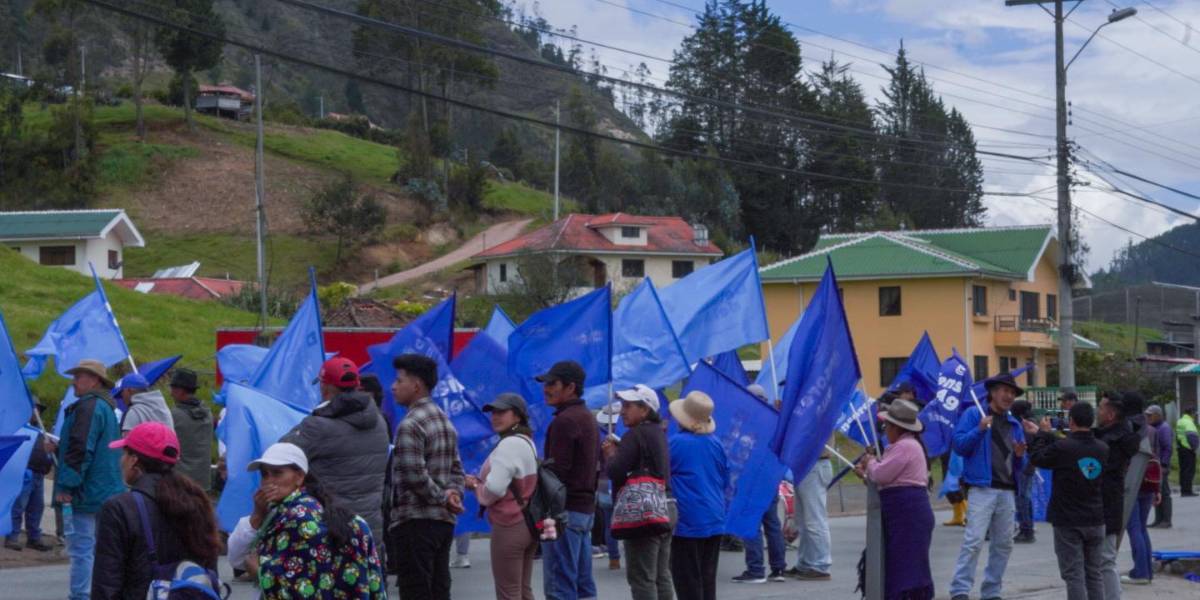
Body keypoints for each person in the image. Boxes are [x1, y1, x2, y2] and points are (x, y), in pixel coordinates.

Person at [92, 422, 221, 599]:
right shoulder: (198, 502)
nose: (121, 461)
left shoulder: (119, 508)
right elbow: (209, 573)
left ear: (134, 460)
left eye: (124, 454)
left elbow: (106, 585)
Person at [249, 442, 385, 599]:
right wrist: (258, 514)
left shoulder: (296, 518)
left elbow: (297, 588)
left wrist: (259, 572)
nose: (269, 481)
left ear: (299, 477)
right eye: (264, 474)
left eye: (277, 473)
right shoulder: (304, 509)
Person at [281, 357, 390, 541]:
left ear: (324, 387)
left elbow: (280, 455)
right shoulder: (379, 422)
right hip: (370, 530)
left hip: (330, 529)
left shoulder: (316, 426)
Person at [387, 354, 466, 600]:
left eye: (399, 380)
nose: (393, 386)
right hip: (443, 522)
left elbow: (414, 476)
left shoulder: (410, 424)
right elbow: (457, 470)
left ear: (416, 385)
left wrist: (443, 497)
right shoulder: (444, 420)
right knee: (439, 588)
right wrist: (453, 494)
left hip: (415, 520)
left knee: (416, 590)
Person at [947, 371, 1027, 600]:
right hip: (981, 488)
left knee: (1004, 545)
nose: (1009, 396)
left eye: (1012, 393)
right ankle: (960, 590)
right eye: (1005, 391)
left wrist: (1020, 456)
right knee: (973, 541)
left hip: (1007, 490)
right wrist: (979, 429)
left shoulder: (1014, 423)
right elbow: (959, 445)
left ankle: (992, 591)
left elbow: (1021, 464)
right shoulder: (974, 414)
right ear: (992, 392)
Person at [54, 359, 125, 600]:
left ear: (94, 380)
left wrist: (66, 485)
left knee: (81, 549)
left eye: (78, 376)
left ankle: (81, 596)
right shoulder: (106, 407)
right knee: (98, 549)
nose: (73, 382)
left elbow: (81, 449)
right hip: (105, 490)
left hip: (86, 492)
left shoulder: (88, 407)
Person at [1025, 402, 1108, 600]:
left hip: (1068, 520)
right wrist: (1047, 435)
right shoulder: (1103, 448)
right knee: (1094, 573)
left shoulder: (1063, 448)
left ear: (1071, 421)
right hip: (1096, 518)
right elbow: (1073, 447)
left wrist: (1042, 434)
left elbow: (1037, 458)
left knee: (1073, 575)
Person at [854, 399, 935, 600]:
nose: (885, 431)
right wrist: (867, 473)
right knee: (899, 562)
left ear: (896, 427)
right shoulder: (905, 445)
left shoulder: (906, 446)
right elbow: (886, 478)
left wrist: (870, 462)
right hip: (904, 512)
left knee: (905, 568)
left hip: (908, 513)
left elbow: (881, 474)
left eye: (886, 426)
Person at [465, 393, 539, 600]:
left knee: (508, 592)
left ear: (517, 416)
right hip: (528, 521)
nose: (495, 417)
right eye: (493, 412)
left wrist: (476, 486)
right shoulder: (526, 440)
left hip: (509, 524)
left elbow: (496, 488)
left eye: (501, 412)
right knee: (522, 590)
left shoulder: (509, 444)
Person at [603, 384, 673, 600]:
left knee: (642, 578)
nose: (622, 411)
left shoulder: (635, 434)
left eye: (628, 406)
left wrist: (611, 454)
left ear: (644, 409)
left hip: (644, 510)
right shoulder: (658, 432)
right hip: (666, 505)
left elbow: (615, 471)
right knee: (661, 575)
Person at [538, 360, 599, 600]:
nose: (546, 389)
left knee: (559, 587)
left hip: (563, 512)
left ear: (570, 387)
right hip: (583, 511)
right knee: (584, 587)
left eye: (552, 384)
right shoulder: (587, 417)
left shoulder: (565, 421)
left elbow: (556, 473)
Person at [668, 391, 727, 600]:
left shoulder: (676, 443)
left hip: (688, 518)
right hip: (715, 514)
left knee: (687, 580)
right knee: (707, 578)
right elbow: (724, 478)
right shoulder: (716, 443)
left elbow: (661, 474)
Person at [735, 384, 787, 584]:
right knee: (772, 523)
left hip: (751, 478)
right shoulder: (775, 421)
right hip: (770, 477)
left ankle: (756, 569)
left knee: (751, 522)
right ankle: (778, 568)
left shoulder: (749, 421)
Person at [1095, 392, 1139, 600]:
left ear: (1111, 415)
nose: (1098, 411)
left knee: (1105, 559)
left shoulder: (1113, 441)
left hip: (1107, 505)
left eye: (1101, 407)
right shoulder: (1112, 435)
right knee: (1100, 560)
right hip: (1105, 504)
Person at [5, 405, 54, 552]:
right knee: (19, 506)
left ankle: (33, 538)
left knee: (36, 507)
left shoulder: (41, 432)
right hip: (25, 472)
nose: (36, 413)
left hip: (39, 473)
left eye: (38, 411)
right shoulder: (19, 429)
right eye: (35, 410)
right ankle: (12, 537)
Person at [1119, 391, 1156, 586]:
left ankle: (1140, 573)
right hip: (1149, 483)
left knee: (1134, 528)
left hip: (1133, 483)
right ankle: (1147, 571)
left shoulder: (1128, 427)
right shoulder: (1150, 428)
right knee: (1141, 528)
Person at [785, 454, 833, 581]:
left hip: (814, 464)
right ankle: (805, 563)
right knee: (804, 522)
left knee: (815, 520)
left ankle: (821, 565)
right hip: (805, 464)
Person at [166, 368, 213, 492]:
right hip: (203, 481)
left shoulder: (174, 416)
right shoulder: (207, 413)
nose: (171, 394)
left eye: (173, 389)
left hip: (181, 483)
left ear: (180, 390)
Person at [595, 406, 622, 571]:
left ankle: (614, 558)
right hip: (621, 483)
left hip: (604, 483)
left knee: (608, 523)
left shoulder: (599, 438)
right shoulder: (624, 437)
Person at [1010, 399, 1037, 544]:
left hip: (1024, 466)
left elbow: (1021, 445)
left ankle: (1026, 529)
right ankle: (1028, 527)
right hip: (1030, 465)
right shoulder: (1032, 423)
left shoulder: (1024, 426)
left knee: (1022, 499)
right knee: (1026, 497)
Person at [1145, 405, 1172, 528]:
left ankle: (1166, 520)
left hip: (1162, 465)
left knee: (1164, 492)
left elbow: (1167, 448)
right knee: (1156, 491)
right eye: (1147, 415)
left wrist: (1164, 464)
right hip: (1156, 465)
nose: (1148, 417)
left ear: (1158, 415)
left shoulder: (1164, 428)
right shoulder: (1155, 428)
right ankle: (1158, 519)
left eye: (1150, 415)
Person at [1177, 408, 1198, 496]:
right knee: (1189, 470)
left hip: (1181, 447)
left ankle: (1183, 490)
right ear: (1191, 413)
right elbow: (1192, 436)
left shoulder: (1180, 421)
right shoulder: (1189, 422)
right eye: (1195, 414)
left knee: (1183, 470)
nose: (1196, 416)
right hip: (1188, 448)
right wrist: (1195, 448)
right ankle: (1187, 491)